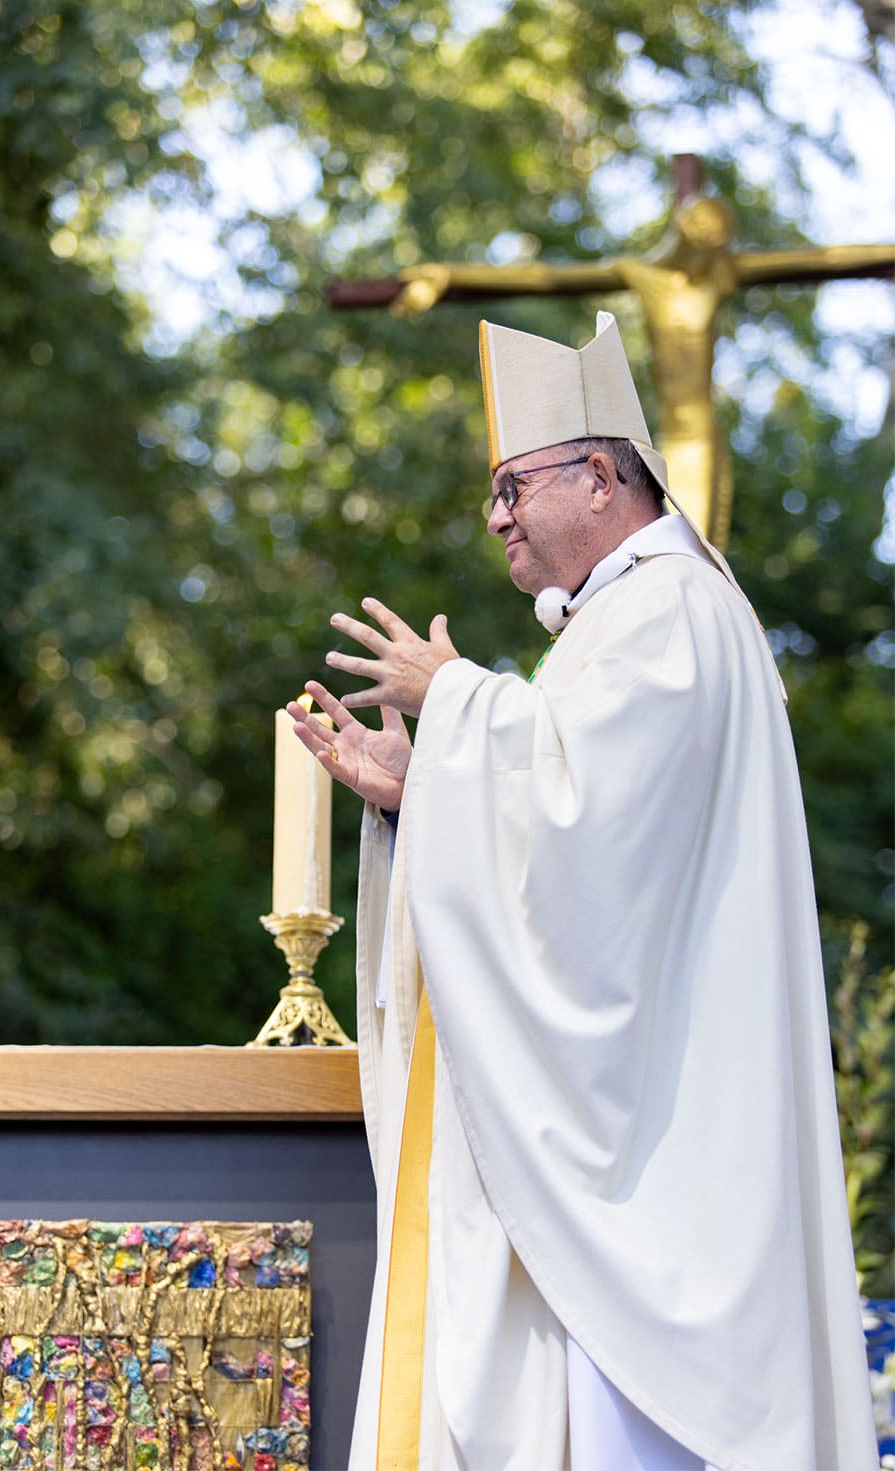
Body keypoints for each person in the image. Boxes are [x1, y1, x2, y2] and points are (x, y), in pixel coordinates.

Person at [288, 313, 875, 1470]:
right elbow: (573, 829)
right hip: (633, 1133)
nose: (495, 516)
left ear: (601, 475)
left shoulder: (669, 610)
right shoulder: (629, 619)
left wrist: (454, 699)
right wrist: (424, 786)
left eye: (513, 485)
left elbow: (590, 850)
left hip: (657, 1160)